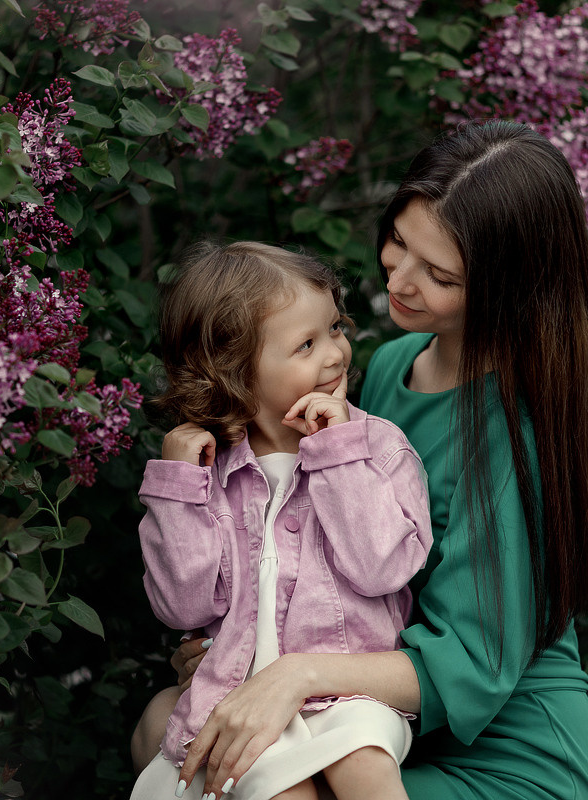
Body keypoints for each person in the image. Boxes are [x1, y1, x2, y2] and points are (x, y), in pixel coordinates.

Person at [131, 118, 588, 800]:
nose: (399, 277)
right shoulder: (391, 366)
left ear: (506, 289)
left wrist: (291, 674)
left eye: (439, 272)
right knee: (184, 745)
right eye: (398, 240)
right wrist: (241, 646)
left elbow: (472, 666)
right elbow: (319, 536)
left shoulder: (517, 429)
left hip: (510, 748)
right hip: (386, 718)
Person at [131, 241, 434, 800]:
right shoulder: (208, 473)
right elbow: (184, 607)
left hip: (348, 693)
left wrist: (339, 450)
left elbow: (383, 568)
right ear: (235, 373)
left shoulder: (376, 447)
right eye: (307, 344)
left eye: (336, 328)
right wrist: (179, 490)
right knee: (265, 787)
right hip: (241, 697)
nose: (336, 354)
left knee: (365, 765)